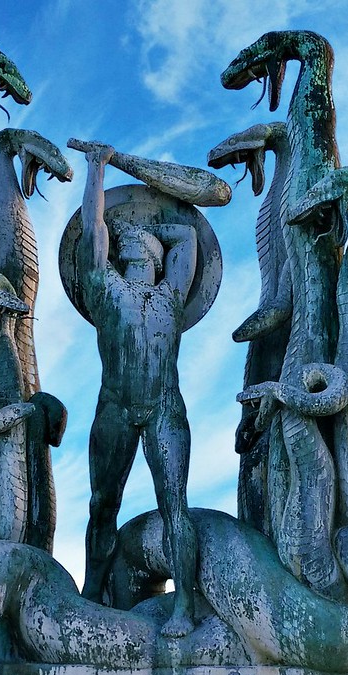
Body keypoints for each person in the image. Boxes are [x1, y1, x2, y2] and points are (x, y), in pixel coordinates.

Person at [74, 139, 200, 638]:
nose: (123, 241)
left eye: (135, 241)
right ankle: (90, 592)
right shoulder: (105, 290)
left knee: (175, 504)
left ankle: (184, 605)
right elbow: (92, 228)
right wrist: (98, 170)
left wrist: (151, 227)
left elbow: (188, 236)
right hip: (115, 406)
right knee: (102, 502)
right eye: (121, 238)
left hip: (165, 406)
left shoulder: (171, 294)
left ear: (153, 255)